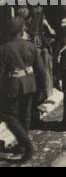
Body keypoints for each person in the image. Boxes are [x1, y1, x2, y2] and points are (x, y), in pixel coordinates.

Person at [0, 21, 39, 163]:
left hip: (13, 86)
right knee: (25, 115)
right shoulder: (31, 46)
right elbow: (40, 69)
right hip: (30, 84)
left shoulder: (4, 49)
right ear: (21, 32)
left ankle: (27, 146)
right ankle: (22, 146)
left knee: (9, 117)